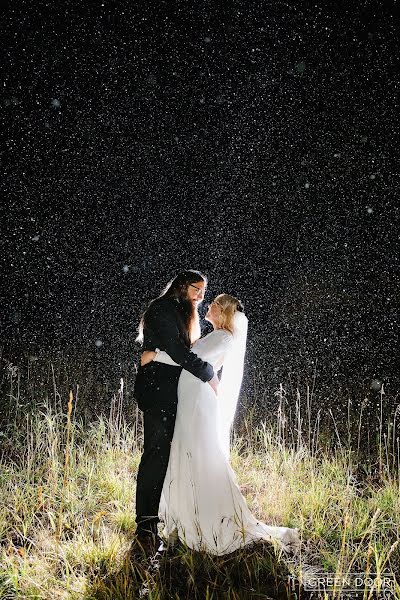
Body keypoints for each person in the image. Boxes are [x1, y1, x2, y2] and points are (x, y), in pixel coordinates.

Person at [140, 294, 301, 556]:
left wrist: (154, 356)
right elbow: (189, 359)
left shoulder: (224, 337)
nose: (209, 305)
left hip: (197, 404)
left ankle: (208, 520)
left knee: (200, 455)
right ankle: (187, 515)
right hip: (190, 400)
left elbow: (189, 362)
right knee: (186, 454)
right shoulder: (212, 335)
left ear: (223, 311)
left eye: (215, 303)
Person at [132, 270, 219, 558]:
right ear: (182, 286)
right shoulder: (163, 309)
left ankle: (169, 519)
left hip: (172, 391)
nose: (201, 296)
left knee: (169, 455)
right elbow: (178, 353)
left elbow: (179, 353)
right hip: (157, 391)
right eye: (197, 289)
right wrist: (210, 375)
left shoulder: (184, 313)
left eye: (204, 291)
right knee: (155, 455)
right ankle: (145, 528)